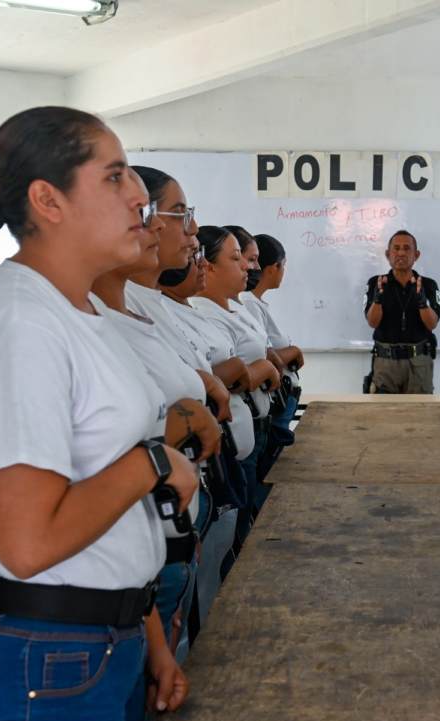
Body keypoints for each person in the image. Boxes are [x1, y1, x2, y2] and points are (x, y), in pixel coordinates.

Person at [0, 106, 195, 721]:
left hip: (103, 639)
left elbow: (108, 497)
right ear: (48, 200)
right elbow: (29, 546)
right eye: (114, 178)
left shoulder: (81, 313)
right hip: (43, 657)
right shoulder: (22, 323)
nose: (139, 196)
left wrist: (149, 633)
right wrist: (155, 463)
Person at [89, 178, 226, 667]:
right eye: (176, 216)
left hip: (154, 551)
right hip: (105, 589)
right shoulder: (61, 320)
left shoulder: (140, 303)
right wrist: (176, 431)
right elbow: (93, 458)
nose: (192, 236)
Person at [191, 227, 281, 530]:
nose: (248, 266)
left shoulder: (233, 307)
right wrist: (256, 370)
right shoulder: (200, 311)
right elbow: (224, 373)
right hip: (224, 449)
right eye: (238, 258)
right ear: (208, 265)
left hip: (248, 434)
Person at [240, 233, 305, 479]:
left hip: (278, 402)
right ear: (273, 267)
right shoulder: (248, 303)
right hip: (267, 407)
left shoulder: (254, 303)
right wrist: (294, 352)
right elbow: (263, 355)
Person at [363, 230, 440, 394]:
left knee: (419, 415)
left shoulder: (428, 285)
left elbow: (432, 323)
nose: (401, 252)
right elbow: (372, 322)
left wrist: (422, 302)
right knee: (382, 415)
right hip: (385, 362)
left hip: (419, 362)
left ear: (416, 254)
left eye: (407, 248)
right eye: (396, 248)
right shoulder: (376, 283)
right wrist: (378, 300)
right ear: (387, 254)